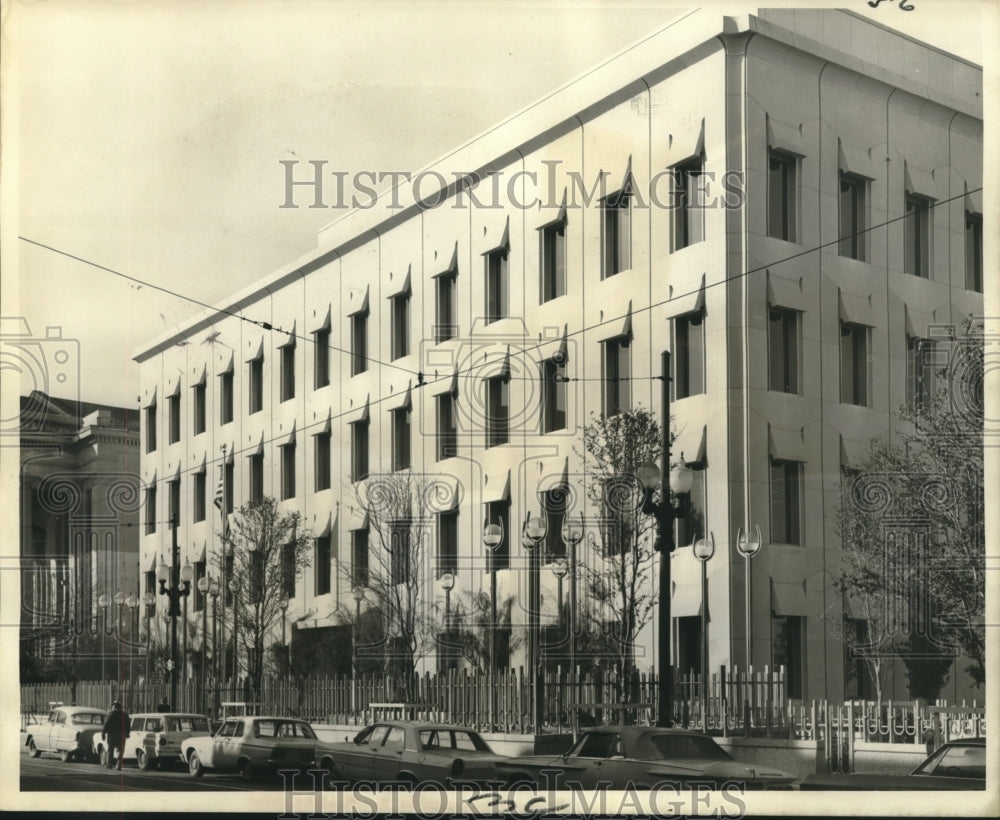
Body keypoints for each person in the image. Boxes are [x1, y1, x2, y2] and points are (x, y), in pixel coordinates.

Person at [101, 701, 131, 771]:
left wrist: (103, 733)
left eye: (112, 706)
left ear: (114, 707)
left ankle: (109, 764)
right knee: (120, 750)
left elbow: (106, 724)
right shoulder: (125, 715)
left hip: (111, 734)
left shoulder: (111, 714)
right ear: (120, 707)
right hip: (121, 734)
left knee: (110, 750)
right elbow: (128, 725)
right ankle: (118, 765)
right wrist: (128, 733)